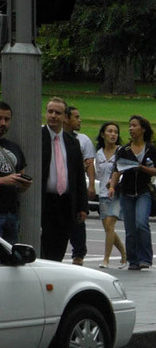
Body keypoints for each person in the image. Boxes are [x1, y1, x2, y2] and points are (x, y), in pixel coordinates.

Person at [108, 115, 156, 271]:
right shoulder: (124, 150)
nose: (131, 128)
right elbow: (117, 170)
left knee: (141, 224)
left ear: (143, 129)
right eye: (129, 126)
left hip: (144, 191)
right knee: (130, 229)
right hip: (127, 192)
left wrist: (141, 168)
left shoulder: (151, 149)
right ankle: (133, 260)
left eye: (134, 125)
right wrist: (112, 186)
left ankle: (145, 258)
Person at [41, 97, 89, 261]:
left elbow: (78, 176)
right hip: (44, 201)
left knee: (59, 246)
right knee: (43, 247)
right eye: (50, 112)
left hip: (66, 203)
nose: (53, 116)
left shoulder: (72, 143)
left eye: (58, 113)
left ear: (64, 117)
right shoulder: (37, 138)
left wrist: (82, 206)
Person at [64, 106, 96, 265]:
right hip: (59, 188)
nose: (80, 120)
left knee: (78, 221)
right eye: (76, 117)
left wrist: (91, 184)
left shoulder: (82, 140)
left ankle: (78, 254)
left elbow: (89, 164)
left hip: (76, 187)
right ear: (66, 119)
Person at [95, 122, 127, 269]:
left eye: (116, 132)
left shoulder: (121, 151)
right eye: (110, 131)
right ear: (103, 134)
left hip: (117, 193)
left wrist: (113, 182)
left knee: (109, 225)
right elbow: (98, 174)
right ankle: (124, 253)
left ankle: (106, 259)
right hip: (102, 193)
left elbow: (124, 171)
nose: (113, 134)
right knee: (108, 229)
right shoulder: (99, 153)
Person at [0, 101, 32, 244]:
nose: (3, 123)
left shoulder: (14, 147)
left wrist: (23, 184)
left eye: (7, 119)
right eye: (0, 118)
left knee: (11, 258)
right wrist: (3, 181)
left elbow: (20, 174)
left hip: (12, 212)